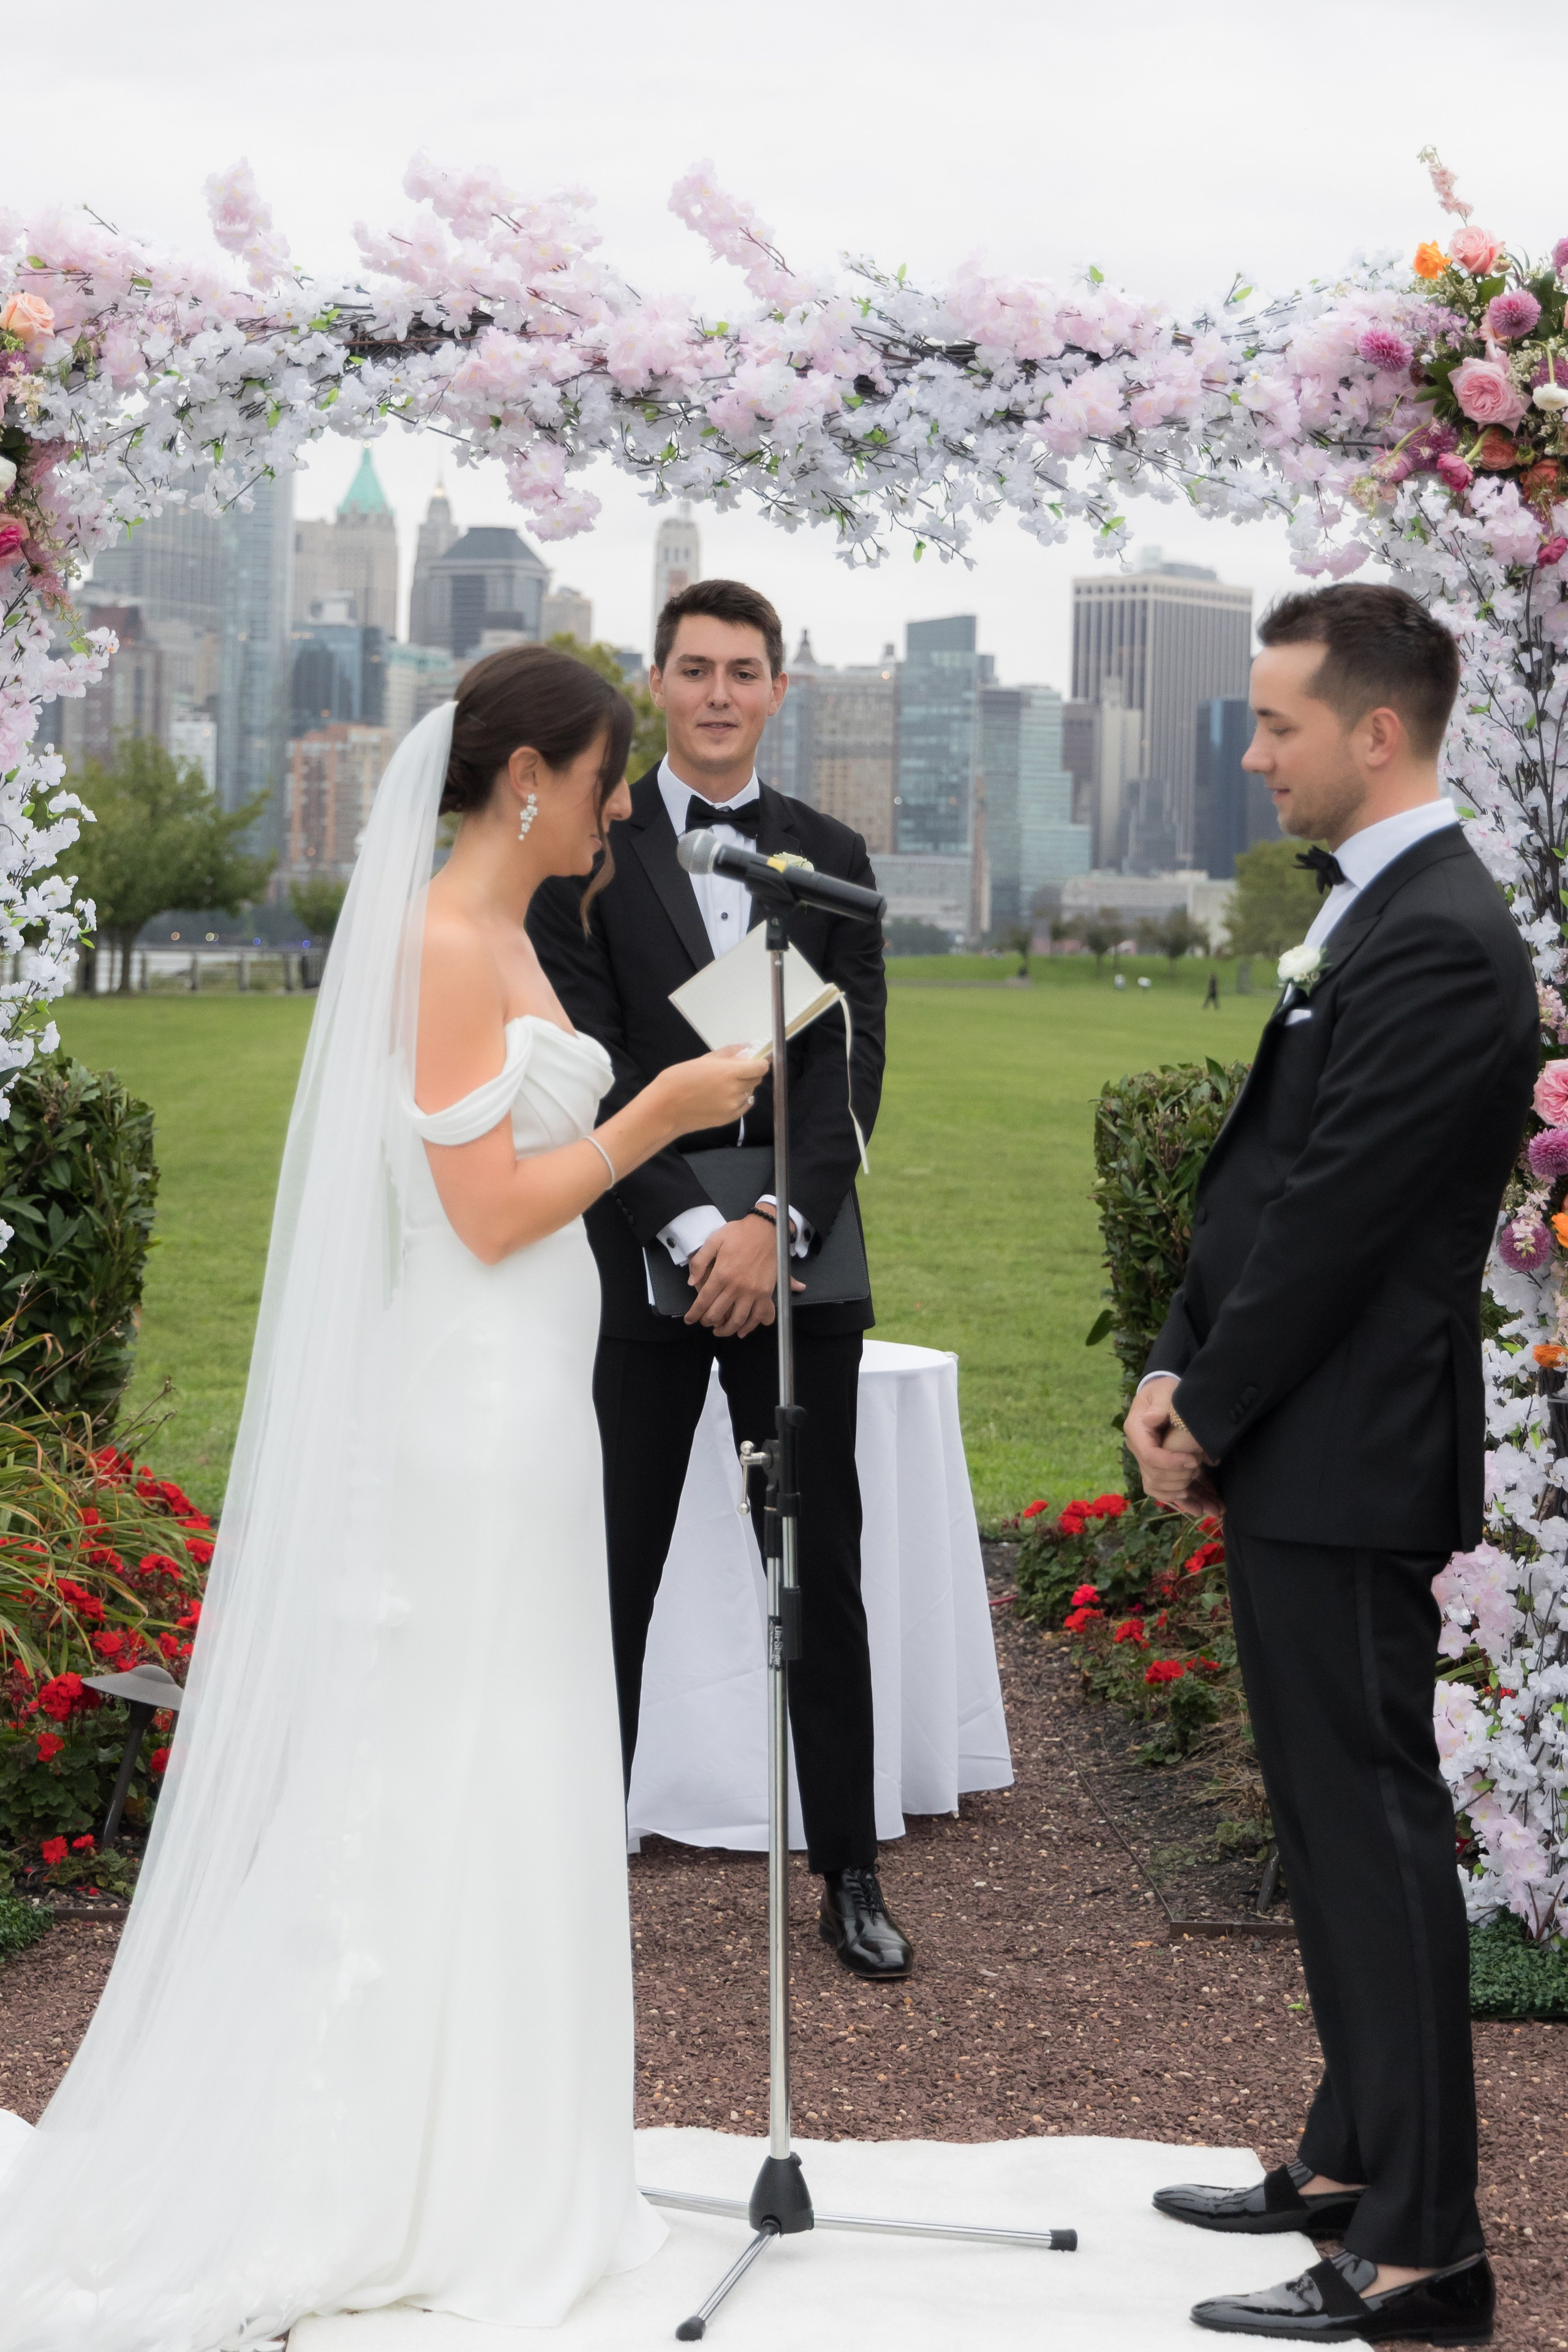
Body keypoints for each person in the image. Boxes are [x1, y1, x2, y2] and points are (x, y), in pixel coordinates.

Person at [0, 650, 766, 2348]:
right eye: (604, 776)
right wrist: (661, 1113)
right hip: (470, 1409)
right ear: (526, 781)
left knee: (519, 1741)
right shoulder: (437, 943)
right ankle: (397, 2157)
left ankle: (502, 2133)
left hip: (527, 1404)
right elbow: (485, 1211)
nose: (621, 806)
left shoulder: (514, 937)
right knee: (451, 1747)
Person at [1126, 584, 1535, 2345]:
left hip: (1347, 1446)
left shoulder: (1441, 934)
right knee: (1328, 1817)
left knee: (1368, 1834)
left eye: (1278, 720)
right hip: (1305, 1436)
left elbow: (1343, 1223)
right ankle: (1351, 2161)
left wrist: (1207, 1408)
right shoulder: (1375, 918)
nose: (1253, 748)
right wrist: (1170, 1357)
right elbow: (1263, 1188)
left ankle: (1427, 2251)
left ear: (1378, 732)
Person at [528, 577, 911, 1980]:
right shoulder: (587, 842)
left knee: (817, 1563)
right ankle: (574, 1869)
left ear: (777, 689)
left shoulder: (827, 852)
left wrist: (771, 1229)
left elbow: (845, 1070)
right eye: (692, 669)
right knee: (605, 1567)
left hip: (794, 1263)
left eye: (743, 671)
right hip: (633, 1259)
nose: (715, 694)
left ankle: (852, 1875)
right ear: (655, 681)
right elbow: (581, 1060)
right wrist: (689, 1234)